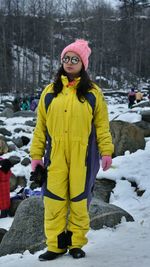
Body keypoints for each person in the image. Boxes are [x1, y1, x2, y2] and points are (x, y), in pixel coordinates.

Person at [30, 39, 114, 261]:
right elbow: (40, 128)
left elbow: (102, 127)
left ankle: (76, 244)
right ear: (61, 62)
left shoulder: (93, 92)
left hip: (83, 156)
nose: (69, 62)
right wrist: (36, 156)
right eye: (66, 58)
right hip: (55, 156)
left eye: (74, 59)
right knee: (54, 200)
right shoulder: (50, 92)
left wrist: (106, 152)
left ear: (82, 64)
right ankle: (56, 246)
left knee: (79, 200)